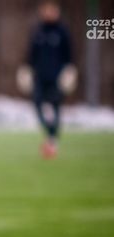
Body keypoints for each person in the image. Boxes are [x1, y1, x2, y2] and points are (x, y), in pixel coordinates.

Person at [26, 1, 74, 159]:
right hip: (40, 77)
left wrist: (69, 71)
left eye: (52, 10)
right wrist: (26, 69)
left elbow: (69, 55)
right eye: (46, 10)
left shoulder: (62, 32)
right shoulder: (37, 31)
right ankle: (49, 134)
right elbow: (31, 54)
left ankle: (52, 140)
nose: (49, 13)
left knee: (55, 107)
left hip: (56, 78)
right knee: (37, 104)